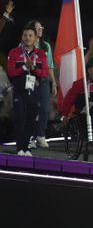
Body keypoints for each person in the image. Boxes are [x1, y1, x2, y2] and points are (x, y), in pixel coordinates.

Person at [6, 24, 49, 156]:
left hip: (34, 90)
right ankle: (20, 147)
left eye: (30, 35)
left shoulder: (41, 54)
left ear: (35, 38)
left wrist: (34, 69)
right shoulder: (14, 52)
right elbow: (11, 72)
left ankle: (27, 148)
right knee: (20, 119)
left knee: (31, 120)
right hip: (19, 89)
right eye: (25, 35)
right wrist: (25, 67)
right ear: (21, 37)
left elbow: (45, 73)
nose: (27, 38)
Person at [29, 20, 56, 149]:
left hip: (44, 79)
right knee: (31, 108)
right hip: (30, 79)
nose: (40, 29)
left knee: (45, 109)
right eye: (37, 27)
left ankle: (40, 135)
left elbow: (50, 65)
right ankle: (30, 137)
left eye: (41, 27)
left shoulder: (46, 46)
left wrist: (54, 83)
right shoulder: (25, 44)